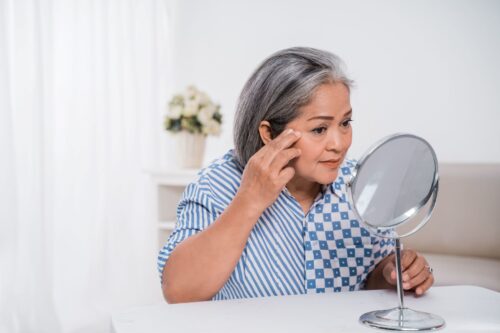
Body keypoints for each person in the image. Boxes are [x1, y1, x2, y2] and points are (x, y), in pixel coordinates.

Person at [157, 47, 434, 303]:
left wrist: (388, 274)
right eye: (319, 129)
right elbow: (178, 291)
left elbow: (368, 282)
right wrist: (249, 201)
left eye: (345, 123)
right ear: (268, 133)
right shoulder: (216, 186)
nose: (339, 143)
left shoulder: (361, 185)